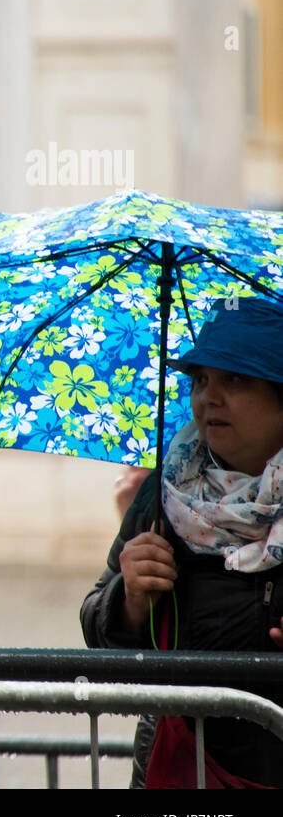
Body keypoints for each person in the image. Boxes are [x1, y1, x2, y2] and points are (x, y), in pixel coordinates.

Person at [81, 297, 283, 788]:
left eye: (234, 379)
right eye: (200, 379)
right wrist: (129, 600)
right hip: (178, 778)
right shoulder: (164, 494)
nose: (209, 397)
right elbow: (96, 630)